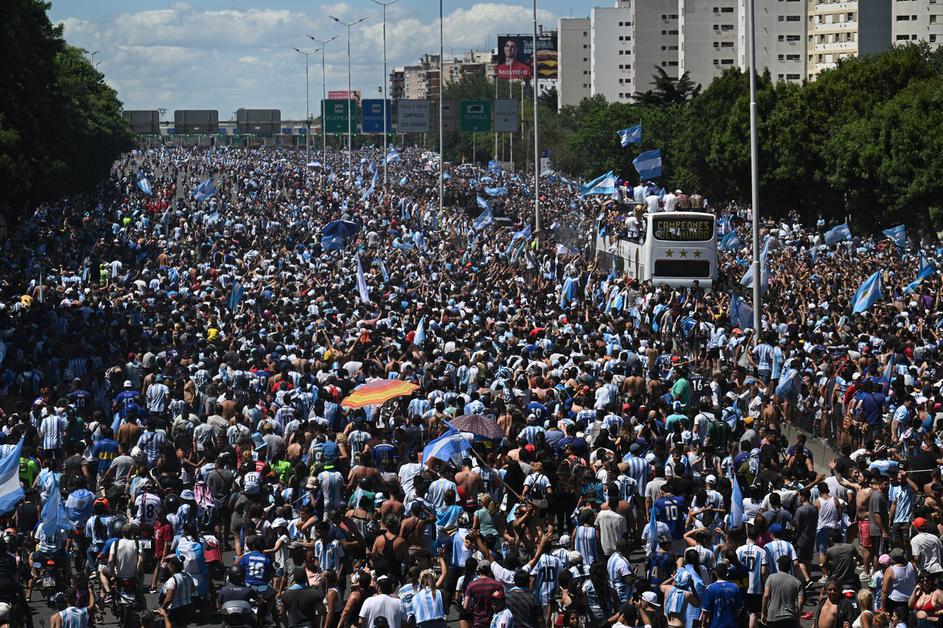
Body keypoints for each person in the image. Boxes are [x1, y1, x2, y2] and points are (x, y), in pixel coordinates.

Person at [762, 555, 804, 628]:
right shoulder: (797, 582)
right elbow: (800, 602)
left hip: (773, 617)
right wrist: (798, 619)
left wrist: (763, 612)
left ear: (779, 566)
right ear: (790, 567)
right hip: (790, 617)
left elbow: (766, 596)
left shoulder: (771, 578)